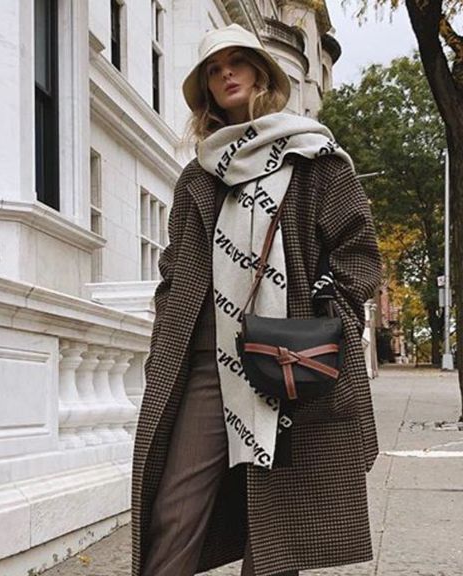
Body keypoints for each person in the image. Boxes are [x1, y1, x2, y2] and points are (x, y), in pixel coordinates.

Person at [131, 24, 382, 576]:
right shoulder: (198, 176)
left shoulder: (315, 157)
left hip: (290, 356)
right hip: (207, 360)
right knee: (175, 510)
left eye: (237, 62)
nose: (226, 74)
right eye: (213, 69)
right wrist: (162, 346)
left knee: (279, 525)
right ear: (206, 89)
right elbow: (174, 271)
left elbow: (359, 252)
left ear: (261, 72)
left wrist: (329, 323)